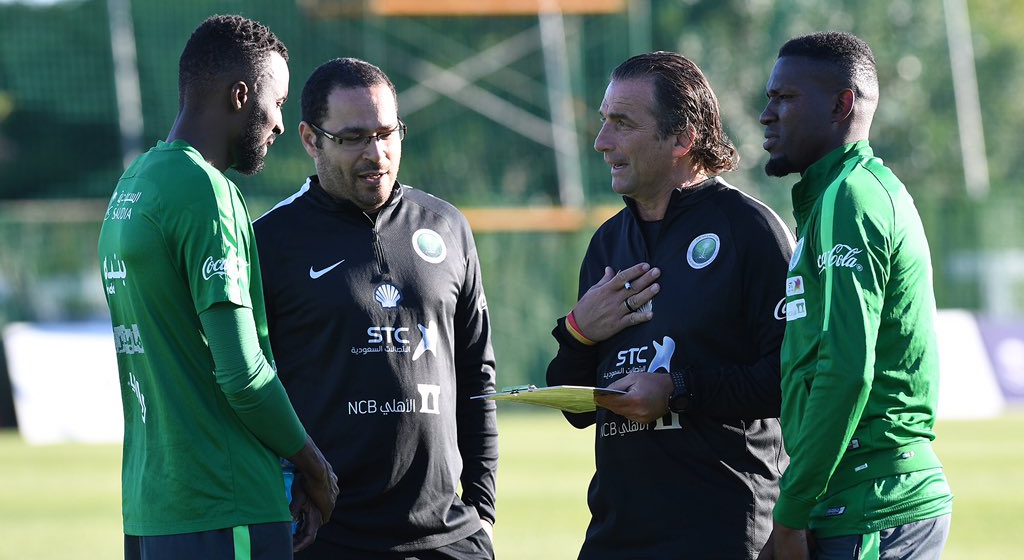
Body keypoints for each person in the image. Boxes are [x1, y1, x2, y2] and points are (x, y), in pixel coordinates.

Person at [98, 15, 339, 559]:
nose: (280, 124)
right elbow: (242, 373)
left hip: (151, 506)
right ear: (240, 96)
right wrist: (313, 466)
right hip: (224, 507)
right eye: (276, 104)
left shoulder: (133, 185)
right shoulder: (209, 193)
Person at [546, 51, 793, 559]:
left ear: (682, 138)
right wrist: (577, 332)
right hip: (617, 533)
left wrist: (678, 389)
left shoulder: (750, 231)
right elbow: (576, 409)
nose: (601, 142)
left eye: (622, 123)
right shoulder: (607, 244)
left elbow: (790, 380)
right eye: (603, 122)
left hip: (721, 531)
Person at [254, 57, 498, 560]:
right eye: (353, 138)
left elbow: (477, 376)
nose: (377, 153)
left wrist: (483, 512)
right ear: (309, 138)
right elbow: (250, 392)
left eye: (388, 133)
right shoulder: (270, 243)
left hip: (450, 540)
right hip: (328, 541)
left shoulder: (447, 227)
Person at [756, 31, 953, 560]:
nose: (766, 114)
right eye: (770, 97)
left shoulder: (851, 199)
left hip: (871, 504)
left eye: (785, 98)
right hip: (850, 497)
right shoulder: (834, 197)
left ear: (842, 104)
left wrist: (791, 510)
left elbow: (848, 369)